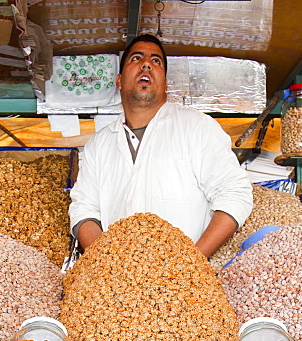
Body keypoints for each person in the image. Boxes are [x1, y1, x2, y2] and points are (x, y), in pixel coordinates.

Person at [69, 34, 253, 258]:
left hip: (185, 283)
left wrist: (191, 265)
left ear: (166, 84)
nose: (146, 64)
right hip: (118, 286)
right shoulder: (99, 145)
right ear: (119, 80)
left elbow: (234, 194)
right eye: (136, 58)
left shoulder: (196, 127)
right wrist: (108, 264)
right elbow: (84, 208)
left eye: (156, 61)